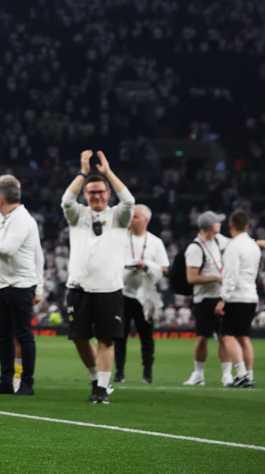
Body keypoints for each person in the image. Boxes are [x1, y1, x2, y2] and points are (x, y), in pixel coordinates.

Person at [62, 151, 135, 404]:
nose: (96, 196)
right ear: (86, 194)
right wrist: (83, 172)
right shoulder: (78, 215)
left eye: (100, 192)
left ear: (108, 194)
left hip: (108, 288)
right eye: (91, 192)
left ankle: (102, 389)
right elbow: (66, 200)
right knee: (79, 337)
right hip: (79, 286)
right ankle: (96, 378)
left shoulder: (118, 217)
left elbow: (129, 201)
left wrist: (108, 173)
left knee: (105, 339)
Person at [0, 174, 42, 396]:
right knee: (4, 334)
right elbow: (1, 251)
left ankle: (27, 383)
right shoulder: (9, 219)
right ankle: (5, 380)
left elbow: (9, 248)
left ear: (0, 199)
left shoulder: (21, 219)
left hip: (20, 285)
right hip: (2, 283)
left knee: (22, 334)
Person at [114, 204, 168, 384]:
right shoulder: (120, 239)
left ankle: (148, 374)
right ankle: (119, 372)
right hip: (123, 292)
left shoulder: (155, 242)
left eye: (135, 216)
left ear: (146, 220)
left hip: (146, 295)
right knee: (119, 335)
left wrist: (146, 266)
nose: (131, 219)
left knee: (147, 336)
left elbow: (165, 268)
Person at [183, 210, 230, 387]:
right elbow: (192, 278)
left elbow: (236, 242)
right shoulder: (195, 248)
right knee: (202, 338)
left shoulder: (218, 240)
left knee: (225, 337)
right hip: (204, 298)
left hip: (221, 296)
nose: (220, 224)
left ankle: (227, 375)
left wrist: (258, 243)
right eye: (218, 222)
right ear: (211, 226)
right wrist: (215, 278)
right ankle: (198, 374)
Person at [215, 211, 259, 388]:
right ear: (247, 226)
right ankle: (249, 375)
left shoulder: (233, 247)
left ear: (230, 226)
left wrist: (223, 299)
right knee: (244, 337)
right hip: (251, 295)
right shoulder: (253, 246)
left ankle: (241, 374)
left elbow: (230, 275)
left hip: (236, 296)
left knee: (228, 336)